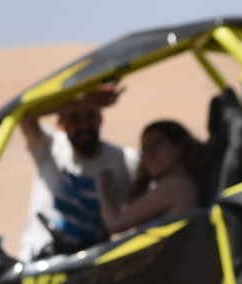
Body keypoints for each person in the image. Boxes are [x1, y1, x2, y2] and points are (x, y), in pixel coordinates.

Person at [18, 81, 139, 260]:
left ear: (100, 118)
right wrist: (86, 101)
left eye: (89, 115)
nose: (84, 126)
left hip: (91, 266)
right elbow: (23, 116)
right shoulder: (50, 147)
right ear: (61, 123)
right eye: (74, 117)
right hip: (39, 264)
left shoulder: (125, 160)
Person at [97, 120, 206, 235]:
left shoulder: (174, 186)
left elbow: (115, 224)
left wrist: (101, 187)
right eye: (145, 149)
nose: (149, 153)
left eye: (157, 143)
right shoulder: (184, 182)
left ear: (179, 147)